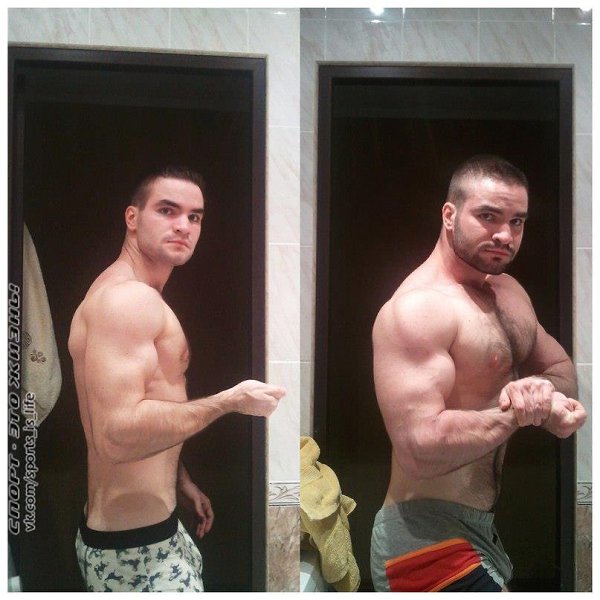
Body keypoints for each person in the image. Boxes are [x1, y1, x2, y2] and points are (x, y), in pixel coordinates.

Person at [369, 155, 586, 592]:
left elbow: (559, 369)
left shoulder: (509, 293)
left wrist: (542, 394)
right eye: (488, 216)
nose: (505, 234)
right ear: (449, 215)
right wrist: (522, 412)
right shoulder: (419, 308)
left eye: (517, 221)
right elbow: (418, 449)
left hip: (480, 531)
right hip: (422, 542)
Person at [68, 166, 285, 592]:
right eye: (167, 210)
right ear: (132, 217)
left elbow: (140, 404)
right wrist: (228, 401)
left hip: (145, 534)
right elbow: (116, 435)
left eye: (194, 216)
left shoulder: (131, 293)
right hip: (136, 552)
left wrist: (178, 478)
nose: (184, 226)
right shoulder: (128, 300)